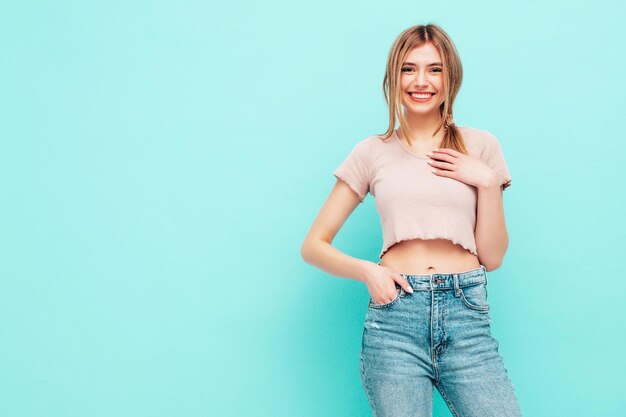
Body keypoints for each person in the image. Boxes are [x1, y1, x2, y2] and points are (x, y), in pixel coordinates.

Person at [300, 23, 523, 417]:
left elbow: (492, 257)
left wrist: (487, 182)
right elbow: (313, 245)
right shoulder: (372, 152)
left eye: (434, 69)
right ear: (393, 77)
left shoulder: (482, 146)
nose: (421, 81)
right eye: (409, 68)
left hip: (466, 313)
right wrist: (368, 272)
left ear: (450, 76)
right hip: (396, 319)